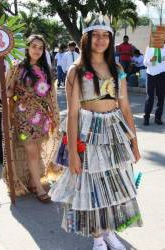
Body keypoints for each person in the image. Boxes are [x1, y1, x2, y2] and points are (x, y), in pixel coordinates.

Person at [49, 13, 142, 250]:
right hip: (87, 134)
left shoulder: (117, 67)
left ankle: (109, 232)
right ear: (87, 38)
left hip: (114, 133)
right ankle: (98, 239)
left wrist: (134, 141)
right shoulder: (76, 70)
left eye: (105, 35)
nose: (101, 40)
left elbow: (125, 107)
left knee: (113, 185)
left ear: (110, 39)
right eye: (96, 35)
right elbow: (71, 114)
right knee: (91, 187)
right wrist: (72, 153)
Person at [4, 34, 60, 202]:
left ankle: (34, 181)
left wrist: (54, 115)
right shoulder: (16, 67)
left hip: (42, 116)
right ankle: (39, 187)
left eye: (40, 48)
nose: (37, 50)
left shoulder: (46, 69)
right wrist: (5, 92)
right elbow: (9, 91)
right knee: (32, 151)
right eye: (34, 46)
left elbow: (51, 95)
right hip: (23, 116)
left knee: (38, 149)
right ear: (27, 47)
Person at [143, 44, 165, 125]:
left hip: (161, 75)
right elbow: (144, 63)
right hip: (150, 74)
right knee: (150, 97)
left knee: (161, 97)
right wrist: (150, 60)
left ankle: (158, 118)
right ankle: (146, 117)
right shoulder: (149, 47)